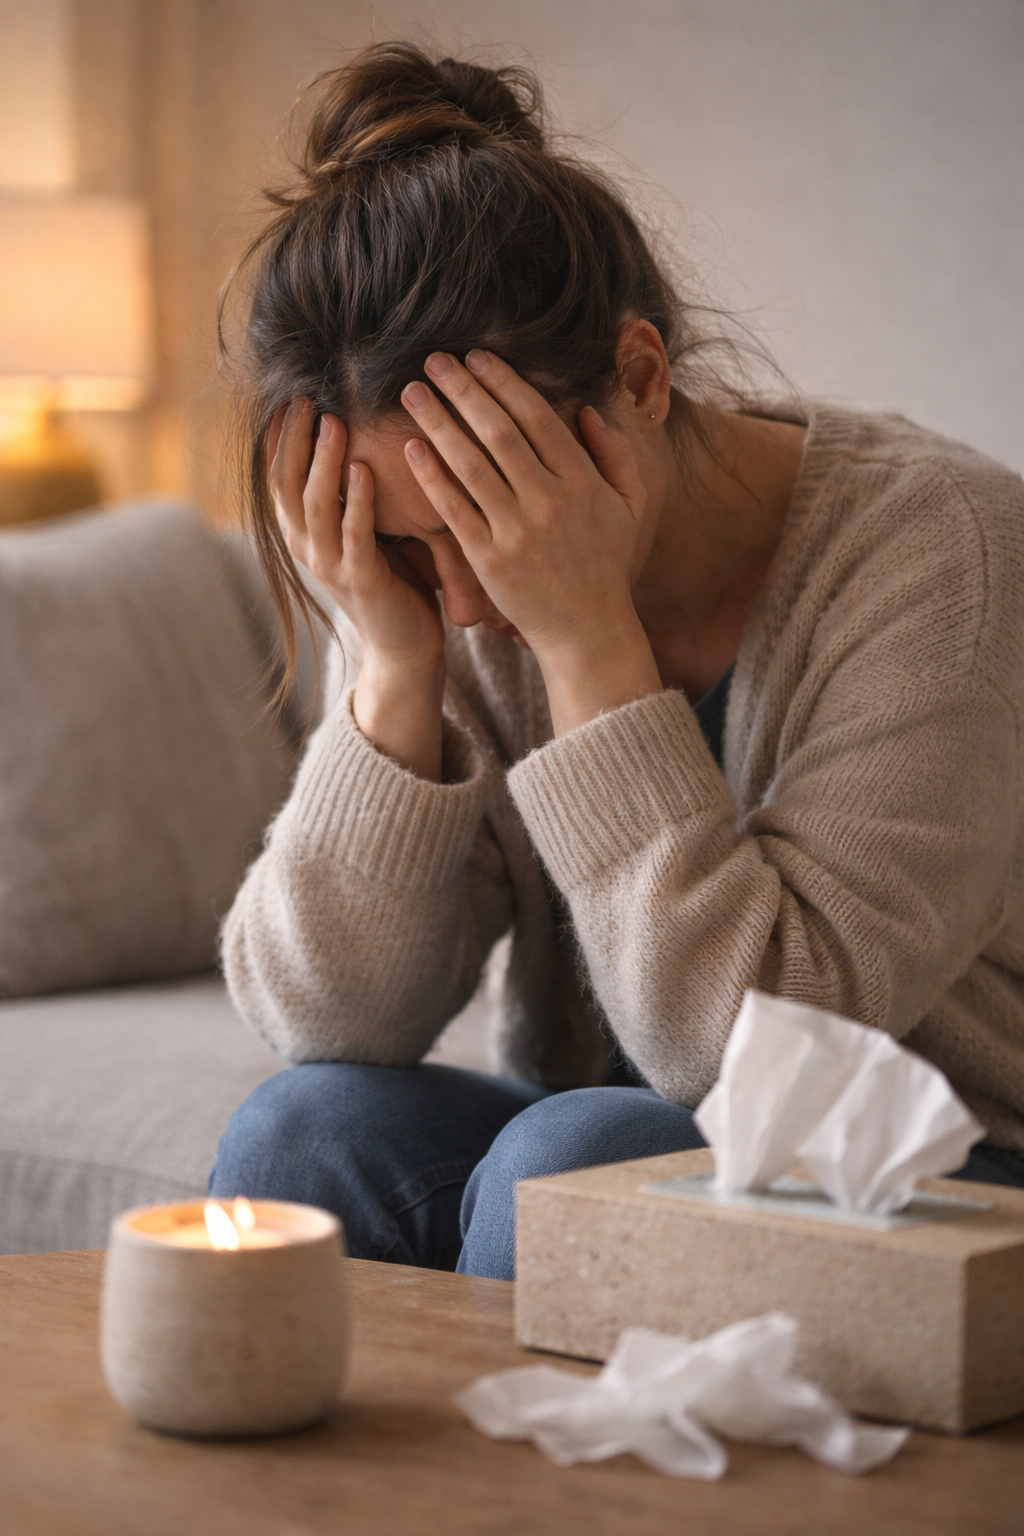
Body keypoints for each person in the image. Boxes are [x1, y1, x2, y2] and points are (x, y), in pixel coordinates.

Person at [210, 41, 1024, 1277]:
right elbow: (329, 1021)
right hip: (633, 1140)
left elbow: (745, 1056)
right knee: (303, 1131)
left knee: (573, 1159)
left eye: (478, 522)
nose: (469, 602)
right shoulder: (435, 599)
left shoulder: (944, 555)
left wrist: (588, 640)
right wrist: (388, 667)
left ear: (638, 381)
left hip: (948, 1176)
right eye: (406, 549)